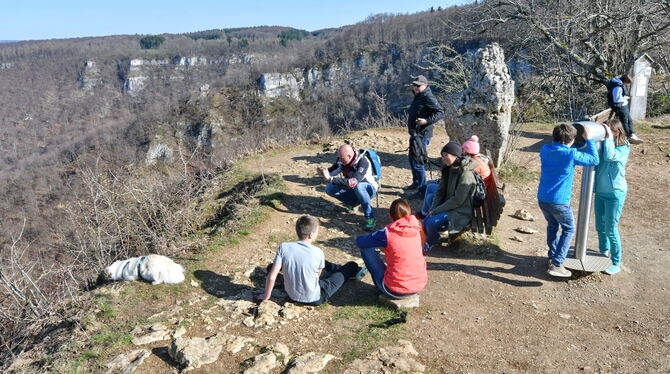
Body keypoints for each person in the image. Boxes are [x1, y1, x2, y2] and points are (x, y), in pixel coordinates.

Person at [259, 215, 366, 305]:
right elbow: (318, 276)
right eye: (317, 232)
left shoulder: (283, 247)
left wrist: (266, 296)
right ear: (311, 235)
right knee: (351, 265)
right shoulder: (318, 252)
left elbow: (272, 276)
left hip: (290, 295)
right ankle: (344, 269)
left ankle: (335, 268)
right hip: (315, 298)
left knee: (271, 267)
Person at [538, 124, 599, 278]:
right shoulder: (570, 154)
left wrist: (576, 143)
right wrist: (590, 140)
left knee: (552, 225)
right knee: (568, 228)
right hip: (559, 202)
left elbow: (563, 149)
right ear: (571, 141)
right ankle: (557, 264)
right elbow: (594, 159)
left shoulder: (545, 149)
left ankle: (552, 256)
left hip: (543, 199)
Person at [355, 199, 427, 299]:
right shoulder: (417, 227)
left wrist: (375, 238)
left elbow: (360, 242)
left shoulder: (388, 232)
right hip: (418, 285)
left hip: (394, 291)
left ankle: (380, 287)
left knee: (366, 249)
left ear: (390, 215)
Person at [422, 141, 477, 251]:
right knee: (427, 219)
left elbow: (457, 201)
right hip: (450, 203)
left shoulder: (466, 174)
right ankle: (433, 234)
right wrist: (433, 209)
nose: (443, 158)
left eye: (445, 155)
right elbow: (440, 191)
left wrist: (436, 210)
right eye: (442, 155)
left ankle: (430, 242)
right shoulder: (449, 168)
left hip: (459, 210)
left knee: (430, 222)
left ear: (455, 156)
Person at [594, 119, 630, 275]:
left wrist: (607, 136)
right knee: (599, 226)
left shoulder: (623, 148)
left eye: (608, 131)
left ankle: (616, 262)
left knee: (610, 228)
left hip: (615, 193)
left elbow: (609, 156)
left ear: (617, 132)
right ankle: (603, 251)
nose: (605, 134)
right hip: (600, 192)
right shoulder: (603, 144)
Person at [317, 144, 379, 231]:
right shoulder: (342, 160)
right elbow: (332, 171)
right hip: (353, 188)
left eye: (342, 159)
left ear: (349, 156)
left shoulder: (363, 162)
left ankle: (370, 217)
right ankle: (353, 203)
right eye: (339, 158)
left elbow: (352, 182)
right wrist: (322, 172)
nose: (340, 161)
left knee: (359, 186)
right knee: (329, 189)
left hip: (369, 189)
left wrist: (331, 179)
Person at [406, 75, 445, 199]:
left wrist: (426, 121)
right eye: (414, 85)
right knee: (412, 158)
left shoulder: (428, 96)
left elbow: (440, 112)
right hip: (415, 133)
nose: (415, 87)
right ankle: (416, 183)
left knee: (418, 161)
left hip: (422, 134)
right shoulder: (419, 95)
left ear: (425, 85)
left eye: (418, 85)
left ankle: (422, 190)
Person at [607, 75, 643, 144]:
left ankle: (632, 134)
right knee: (625, 121)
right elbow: (616, 99)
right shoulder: (618, 87)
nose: (627, 85)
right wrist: (625, 98)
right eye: (627, 83)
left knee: (629, 120)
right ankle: (629, 136)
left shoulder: (618, 83)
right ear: (625, 81)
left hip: (623, 105)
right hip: (620, 106)